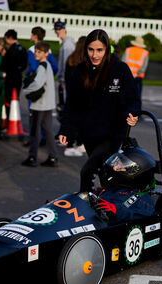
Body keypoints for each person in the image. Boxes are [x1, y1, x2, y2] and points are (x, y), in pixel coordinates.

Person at [58, 29, 141, 192]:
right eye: (91, 49)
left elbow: (132, 99)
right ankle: (109, 206)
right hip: (88, 133)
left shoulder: (120, 69)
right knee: (105, 173)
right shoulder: (79, 71)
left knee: (87, 171)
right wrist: (66, 130)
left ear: (106, 49)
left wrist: (133, 115)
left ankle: (85, 207)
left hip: (113, 133)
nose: (94, 55)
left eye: (99, 50)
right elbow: (72, 105)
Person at [92, 144, 156, 223]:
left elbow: (144, 217)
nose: (115, 167)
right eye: (116, 163)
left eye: (120, 167)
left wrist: (116, 210)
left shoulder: (142, 199)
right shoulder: (112, 188)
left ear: (135, 174)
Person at [21, 42, 58, 167]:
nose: (37, 53)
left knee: (34, 131)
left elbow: (37, 84)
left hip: (39, 105)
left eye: (40, 52)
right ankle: (53, 157)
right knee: (48, 131)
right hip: (48, 104)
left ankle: (32, 157)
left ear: (46, 54)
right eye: (36, 51)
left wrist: (26, 91)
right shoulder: (48, 65)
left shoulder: (42, 66)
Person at [62, 36, 87, 158]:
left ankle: (70, 144)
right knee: (82, 122)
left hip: (71, 92)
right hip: (82, 95)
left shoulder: (71, 58)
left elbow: (67, 76)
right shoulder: (84, 61)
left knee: (71, 121)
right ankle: (77, 144)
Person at [1, 29, 28, 121]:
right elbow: (24, 65)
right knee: (16, 98)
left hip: (10, 77)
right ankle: (16, 117)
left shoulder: (11, 50)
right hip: (18, 76)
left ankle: (9, 118)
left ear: (9, 38)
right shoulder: (23, 49)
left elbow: (5, 65)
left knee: (9, 99)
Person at [54, 21, 76, 121]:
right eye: (56, 30)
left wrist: (63, 80)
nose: (57, 32)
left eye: (58, 29)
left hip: (66, 80)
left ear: (64, 30)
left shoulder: (67, 45)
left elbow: (66, 64)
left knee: (66, 106)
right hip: (67, 79)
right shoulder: (66, 43)